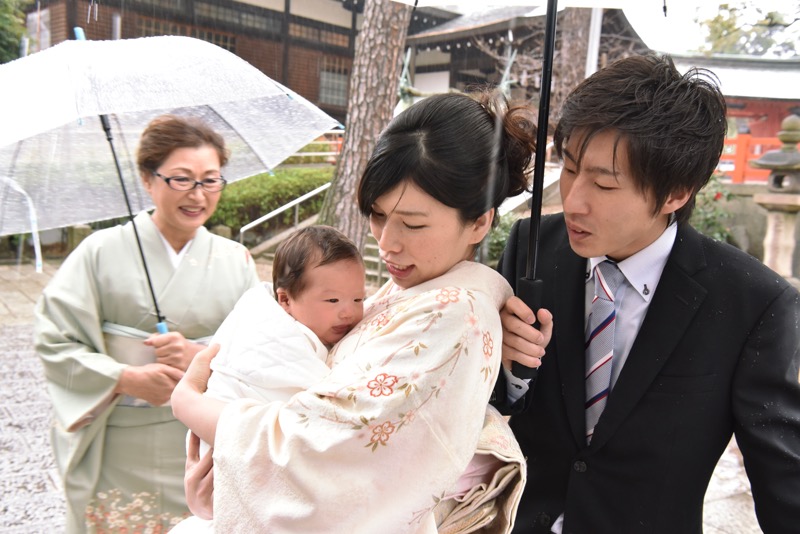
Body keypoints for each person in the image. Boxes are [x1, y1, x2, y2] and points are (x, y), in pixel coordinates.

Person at [171, 89, 537, 533]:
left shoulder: (454, 313)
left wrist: (188, 404)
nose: (387, 243)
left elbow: (321, 454)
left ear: (479, 221)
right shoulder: (419, 290)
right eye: (378, 215)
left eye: (414, 224)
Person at [496, 54, 800, 533]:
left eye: (603, 183)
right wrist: (511, 372)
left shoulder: (752, 303)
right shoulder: (534, 249)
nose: (573, 200)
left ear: (675, 193)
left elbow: (783, 477)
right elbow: (494, 403)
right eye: (571, 169)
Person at [34, 114, 260, 533]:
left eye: (210, 180)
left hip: (201, 446)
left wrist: (199, 356)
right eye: (181, 179)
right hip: (120, 444)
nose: (198, 195)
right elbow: (54, 340)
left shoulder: (235, 259)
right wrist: (124, 376)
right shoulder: (98, 252)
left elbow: (262, 349)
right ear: (147, 177)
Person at [174, 225, 366, 532]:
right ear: (285, 300)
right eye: (333, 301)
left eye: (358, 300)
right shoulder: (268, 334)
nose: (349, 313)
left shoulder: (321, 331)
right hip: (232, 455)